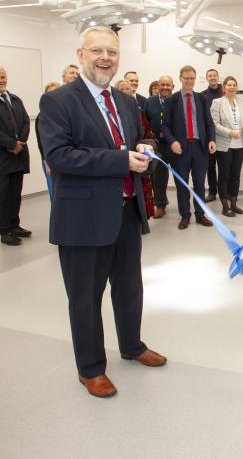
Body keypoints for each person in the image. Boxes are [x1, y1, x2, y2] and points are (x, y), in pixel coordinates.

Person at [38, 26, 166, 398]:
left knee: (129, 288)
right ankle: (91, 368)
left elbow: (139, 139)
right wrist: (120, 159)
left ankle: (132, 346)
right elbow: (59, 156)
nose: (105, 58)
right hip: (82, 219)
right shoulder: (58, 101)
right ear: (80, 54)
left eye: (112, 51)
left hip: (126, 211)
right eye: (97, 50)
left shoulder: (125, 101)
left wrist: (146, 147)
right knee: (85, 297)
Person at [162, 65, 216, 230]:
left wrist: (212, 140)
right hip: (181, 150)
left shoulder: (202, 98)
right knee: (182, 185)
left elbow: (209, 123)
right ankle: (185, 215)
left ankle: (200, 215)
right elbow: (165, 126)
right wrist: (172, 142)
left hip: (200, 149)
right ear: (180, 79)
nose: (189, 81)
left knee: (200, 184)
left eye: (192, 78)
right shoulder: (172, 100)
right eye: (186, 78)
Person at [211, 76, 243, 217]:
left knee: (236, 176)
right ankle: (225, 206)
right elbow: (214, 124)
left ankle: (234, 205)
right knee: (224, 176)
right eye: (229, 85)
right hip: (224, 145)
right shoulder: (217, 103)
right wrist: (229, 132)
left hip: (240, 144)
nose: (232, 87)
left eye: (234, 84)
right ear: (224, 87)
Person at [0, 66, 31, 247]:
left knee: (15, 193)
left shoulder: (15, 99)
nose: (1, 80)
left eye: (3, 76)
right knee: (2, 195)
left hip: (18, 156)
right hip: (3, 156)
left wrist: (21, 141)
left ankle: (14, 224)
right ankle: (4, 230)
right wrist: (11, 144)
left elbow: (26, 121)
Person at [143, 75, 174, 218]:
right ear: (158, 85)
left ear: (172, 86)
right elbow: (145, 122)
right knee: (158, 177)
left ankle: (184, 206)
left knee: (181, 176)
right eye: (163, 84)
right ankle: (160, 205)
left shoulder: (178, 100)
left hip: (174, 145)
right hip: (158, 146)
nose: (165, 87)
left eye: (168, 85)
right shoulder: (150, 102)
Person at [35, 82, 61, 198]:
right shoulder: (42, 116)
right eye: (50, 93)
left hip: (64, 159)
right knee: (54, 193)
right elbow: (42, 143)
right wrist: (46, 161)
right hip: (49, 160)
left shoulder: (66, 114)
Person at [201, 68, 223, 202]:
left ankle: (224, 192)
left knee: (224, 166)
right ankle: (212, 192)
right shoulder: (202, 95)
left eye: (215, 75)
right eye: (210, 76)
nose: (213, 77)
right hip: (209, 136)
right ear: (207, 78)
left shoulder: (224, 93)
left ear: (218, 77)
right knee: (210, 165)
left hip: (224, 136)